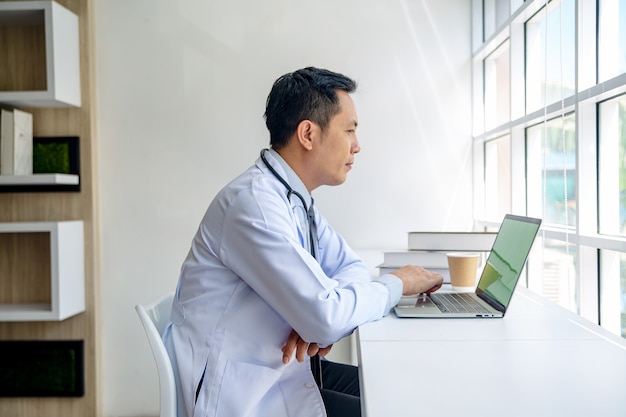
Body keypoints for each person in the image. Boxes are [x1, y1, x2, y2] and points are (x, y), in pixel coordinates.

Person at [163, 67, 443, 417]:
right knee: (393, 405)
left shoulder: (295, 198)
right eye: (350, 130)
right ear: (308, 134)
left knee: (394, 389)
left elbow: (349, 268)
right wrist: (396, 284)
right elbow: (326, 316)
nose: (358, 145)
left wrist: (316, 317)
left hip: (283, 372)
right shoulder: (253, 205)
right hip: (245, 395)